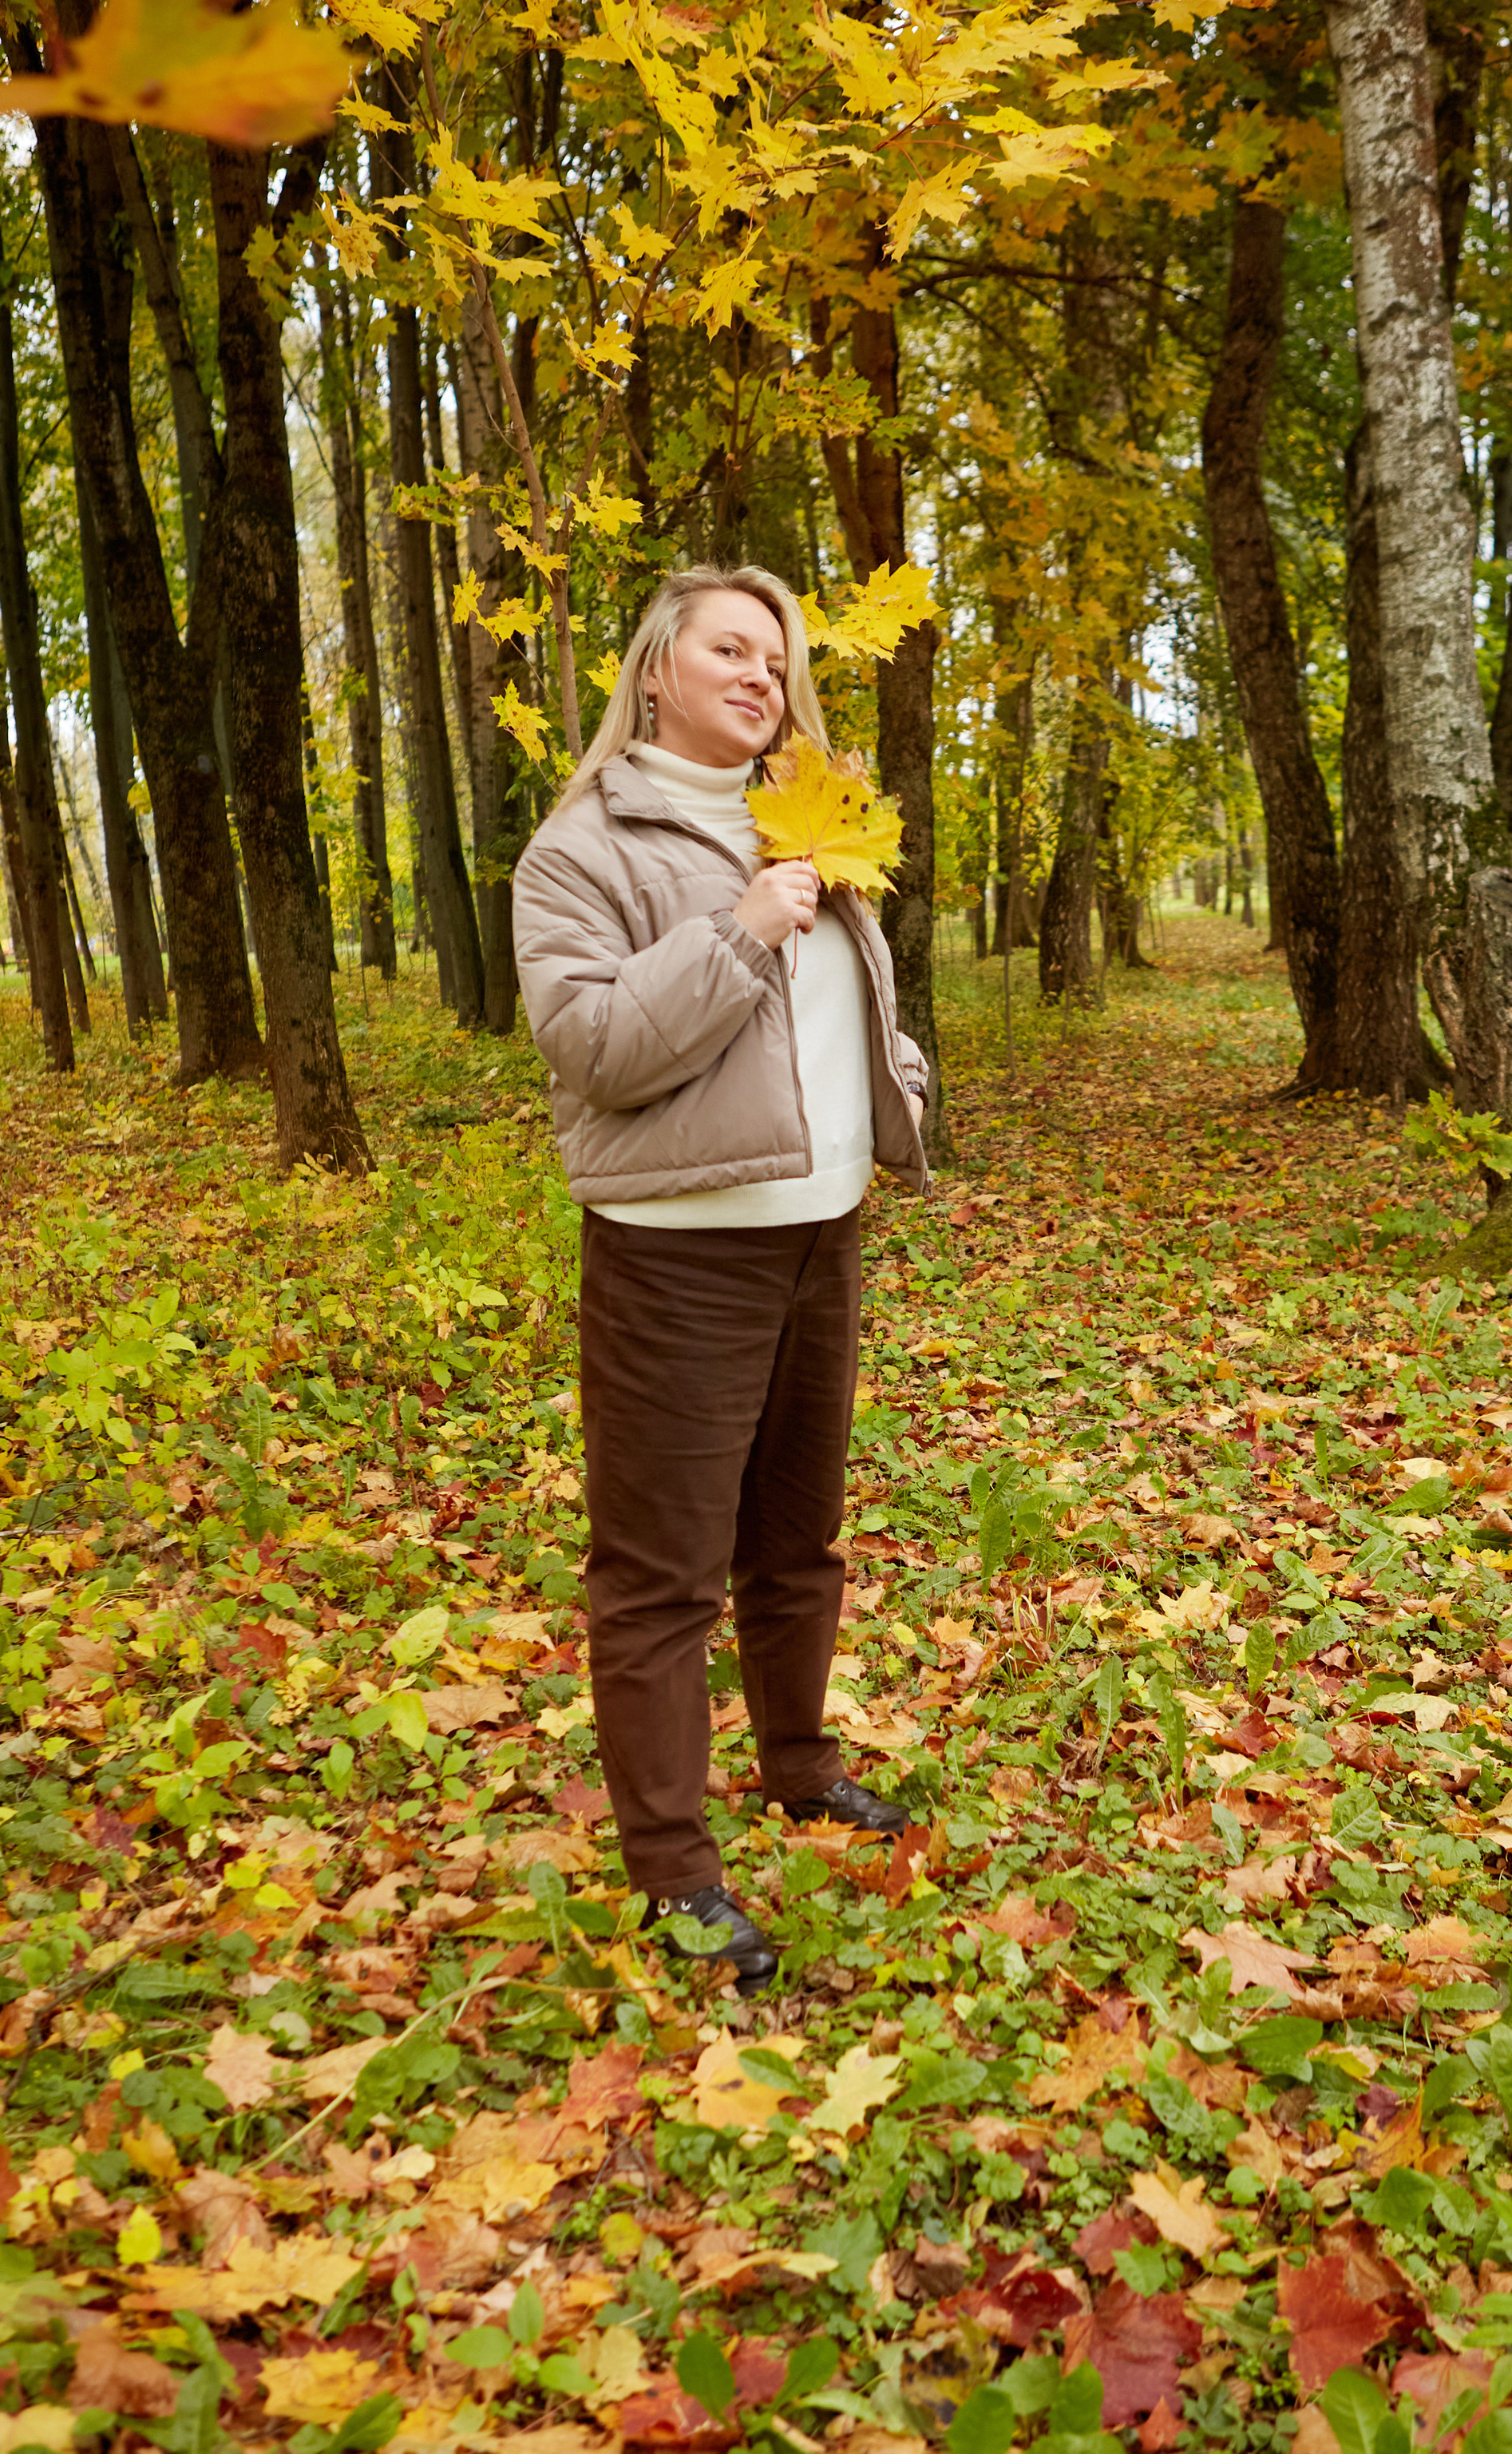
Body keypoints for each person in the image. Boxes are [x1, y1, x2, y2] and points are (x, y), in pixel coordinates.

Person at [513, 565, 931, 1988]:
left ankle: (800, 1766)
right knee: (661, 1573)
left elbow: (847, 1012)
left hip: (824, 1229)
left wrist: (895, 1102)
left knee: (799, 1540)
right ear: (655, 672)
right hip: (679, 1252)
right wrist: (740, 927)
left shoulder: (804, 815)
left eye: (779, 658)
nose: (763, 676)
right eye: (731, 650)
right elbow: (600, 1050)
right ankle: (673, 1867)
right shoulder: (583, 849)